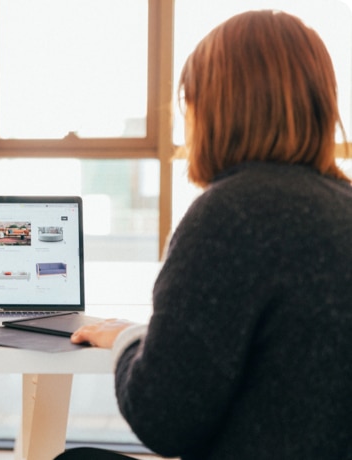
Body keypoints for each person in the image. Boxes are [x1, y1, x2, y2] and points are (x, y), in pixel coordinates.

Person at [66, 9, 352, 460]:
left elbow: (163, 418)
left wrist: (128, 341)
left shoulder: (230, 214)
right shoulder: (343, 202)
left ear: (213, 107)